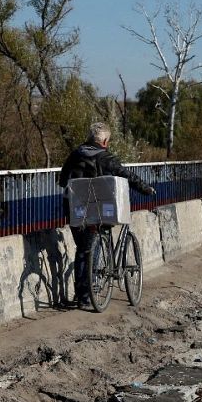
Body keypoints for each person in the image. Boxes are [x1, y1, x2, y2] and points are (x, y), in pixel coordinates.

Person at [58, 122, 156, 305]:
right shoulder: (105, 157)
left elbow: (62, 180)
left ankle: (82, 294)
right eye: (108, 141)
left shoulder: (74, 155)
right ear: (104, 141)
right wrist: (146, 189)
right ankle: (87, 294)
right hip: (97, 209)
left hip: (74, 209)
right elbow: (127, 175)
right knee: (90, 247)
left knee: (83, 248)